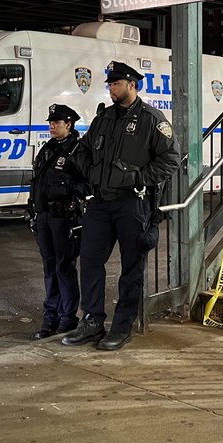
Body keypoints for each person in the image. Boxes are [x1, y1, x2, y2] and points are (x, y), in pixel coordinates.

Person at [62, 61, 180, 351]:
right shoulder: (104, 118)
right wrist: (92, 174)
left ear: (132, 85)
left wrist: (137, 177)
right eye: (110, 84)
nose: (111, 89)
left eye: (115, 84)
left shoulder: (152, 120)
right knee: (89, 262)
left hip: (133, 204)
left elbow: (171, 159)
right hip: (100, 204)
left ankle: (122, 327)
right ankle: (91, 322)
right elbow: (84, 150)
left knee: (131, 268)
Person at [28, 103, 89, 340]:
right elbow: (37, 183)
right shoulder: (48, 149)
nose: (52, 126)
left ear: (69, 124)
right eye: (51, 123)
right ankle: (50, 319)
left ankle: (68, 318)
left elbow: (87, 184)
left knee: (64, 268)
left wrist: (65, 188)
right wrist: (32, 210)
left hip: (64, 217)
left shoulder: (77, 150)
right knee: (49, 269)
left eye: (57, 123)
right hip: (44, 216)